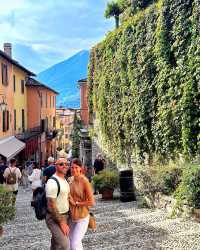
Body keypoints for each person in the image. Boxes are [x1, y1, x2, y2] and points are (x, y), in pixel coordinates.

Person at [68, 158, 95, 250]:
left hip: (82, 217)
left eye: (76, 167)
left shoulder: (85, 181)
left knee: (75, 243)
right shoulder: (70, 180)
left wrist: (76, 203)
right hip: (71, 217)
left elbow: (92, 202)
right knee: (70, 242)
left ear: (80, 168)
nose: (74, 170)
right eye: (72, 167)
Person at [45, 157, 70, 250]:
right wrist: (62, 223)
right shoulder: (52, 182)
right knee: (65, 245)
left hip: (65, 216)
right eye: (61, 164)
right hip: (54, 218)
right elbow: (52, 205)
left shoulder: (64, 180)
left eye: (66, 164)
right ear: (55, 166)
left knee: (56, 245)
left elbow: (66, 197)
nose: (64, 166)